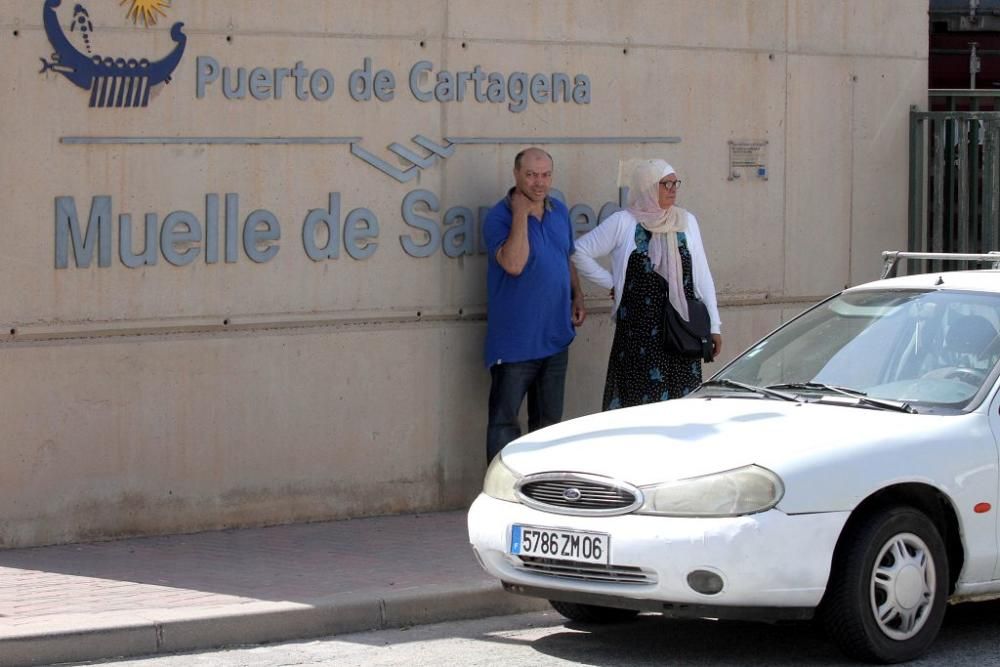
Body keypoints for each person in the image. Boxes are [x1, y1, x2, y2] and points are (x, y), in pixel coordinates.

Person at [572, 159, 721, 410]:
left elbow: (702, 276)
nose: (672, 189)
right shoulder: (624, 222)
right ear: (647, 187)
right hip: (638, 337)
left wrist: (714, 325)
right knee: (640, 406)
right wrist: (613, 282)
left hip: (681, 332)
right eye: (665, 184)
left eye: (675, 183)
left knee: (680, 410)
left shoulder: (686, 222)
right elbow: (579, 251)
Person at [483, 147, 586, 462]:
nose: (539, 183)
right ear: (516, 175)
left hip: (555, 337)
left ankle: (543, 494)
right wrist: (519, 213)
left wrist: (577, 294)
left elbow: (564, 257)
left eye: (545, 175)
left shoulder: (559, 211)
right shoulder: (498, 217)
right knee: (504, 425)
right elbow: (513, 264)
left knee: (548, 427)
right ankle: (502, 493)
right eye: (531, 175)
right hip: (515, 343)